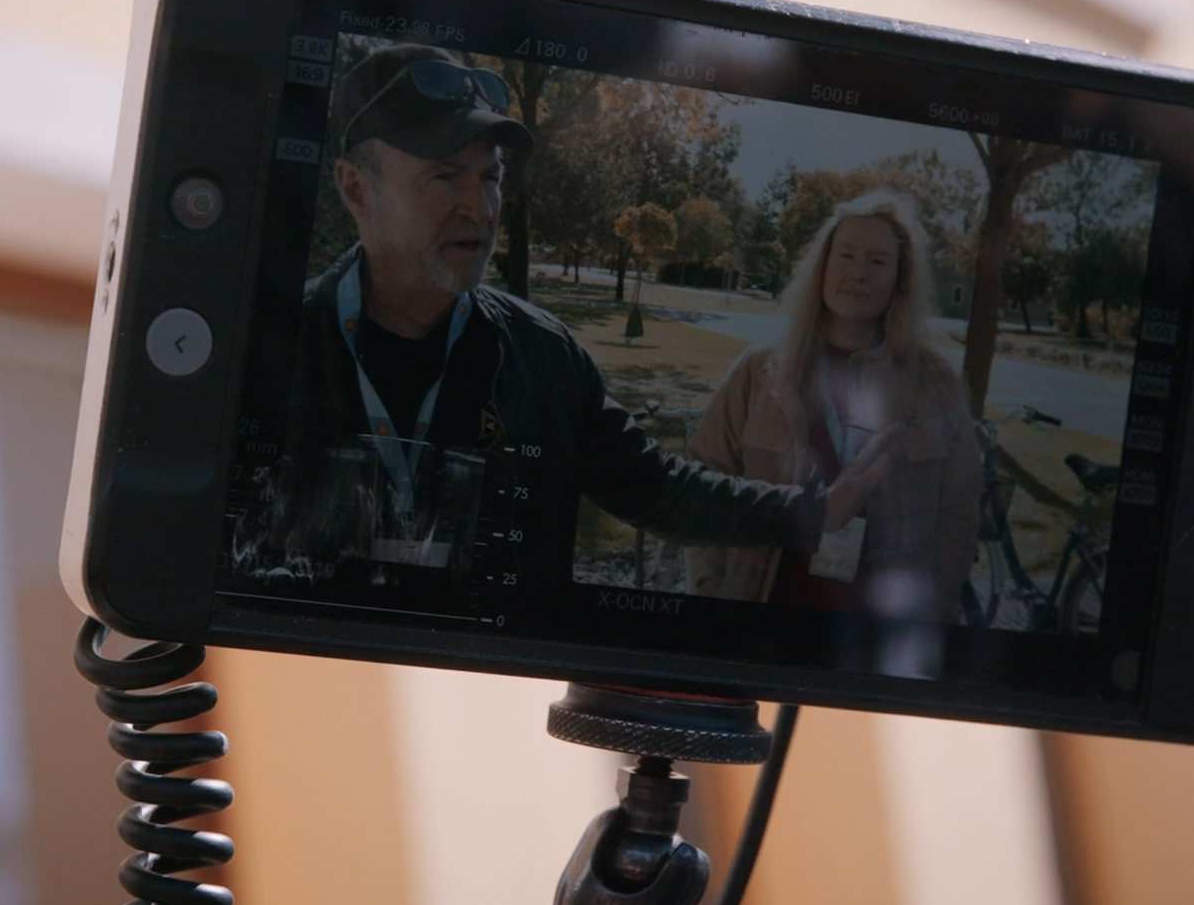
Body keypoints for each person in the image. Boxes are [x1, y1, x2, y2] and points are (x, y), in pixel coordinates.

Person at [264, 44, 899, 597]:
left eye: (491, 178)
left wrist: (814, 511)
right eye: (445, 176)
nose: (480, 209)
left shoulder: (543, 358)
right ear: (355, 188)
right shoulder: (268, 347)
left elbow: (657, 488)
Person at [682, 190, 982, 622]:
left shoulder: (935, 382)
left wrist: (933, 612)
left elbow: (960, 513)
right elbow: (704, 482)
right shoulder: (759, 371)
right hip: (761, 615)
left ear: (900, 279)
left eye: (877, 261)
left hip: (876, 634)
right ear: (822, 267)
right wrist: (711, 595)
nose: (858, 273)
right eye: (846, 256)